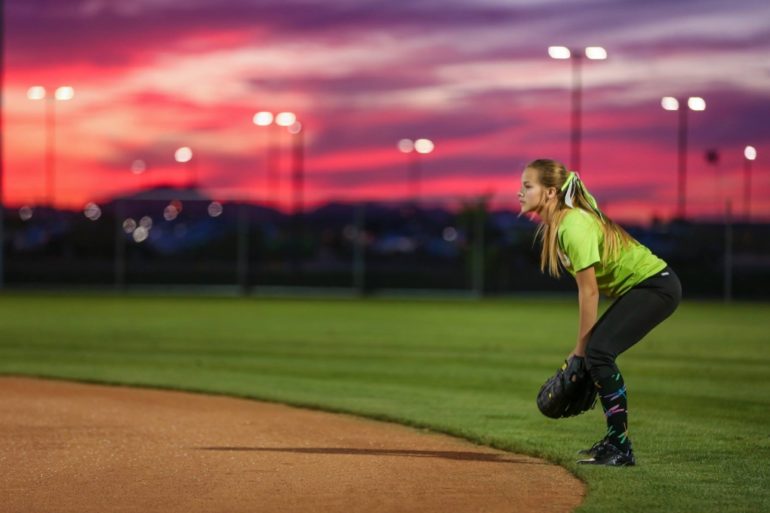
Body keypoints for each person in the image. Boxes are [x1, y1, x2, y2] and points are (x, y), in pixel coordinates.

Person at [519, 158, 681, 466]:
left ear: (551, 192)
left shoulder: (572, 225)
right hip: (645, 287)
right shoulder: (562, 223)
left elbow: (589, 291)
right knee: (598, 352)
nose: (520, 193)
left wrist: (580, 351)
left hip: (655, 287)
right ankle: (615, 442)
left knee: (597, 353)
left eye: (528, 186)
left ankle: (620, 447)